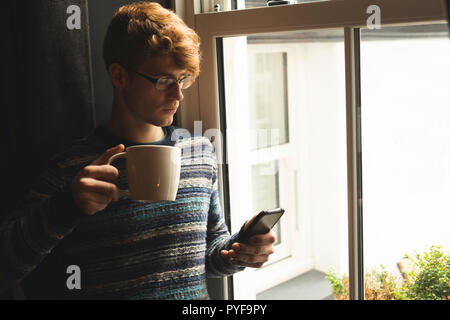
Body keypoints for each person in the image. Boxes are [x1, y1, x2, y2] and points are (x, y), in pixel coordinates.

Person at [0, 2, 276, 299]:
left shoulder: (199, 154)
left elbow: (206, 256)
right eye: (164, 80)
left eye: (183, 79)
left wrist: (238, 251)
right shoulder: (75, 169)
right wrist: (65, 207)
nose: (178, 94)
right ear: (119, 76)